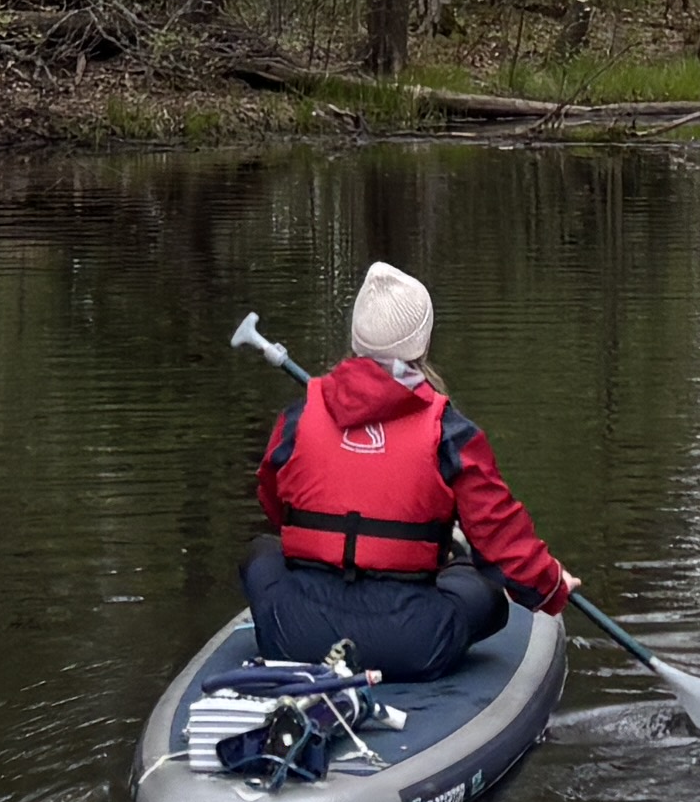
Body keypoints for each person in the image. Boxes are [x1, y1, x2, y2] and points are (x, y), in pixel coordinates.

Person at [245, 260, 574, 679]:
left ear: (355, 338)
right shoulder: (451, 433)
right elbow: (501, 536)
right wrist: (551, 586)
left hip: (294, 637)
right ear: (422, 344)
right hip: (413, 644)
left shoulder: (298, 416)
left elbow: (274, 503)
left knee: (261, 553)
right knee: (489, 589)